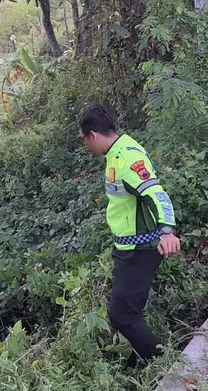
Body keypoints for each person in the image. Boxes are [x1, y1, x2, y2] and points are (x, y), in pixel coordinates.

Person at [77, 104, 180, 367]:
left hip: (141, 250)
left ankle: (157, 361)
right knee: (126, 310)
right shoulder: (117, 151)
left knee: (122, 315)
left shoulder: (125, 159)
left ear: (93, 135)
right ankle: (146, 357)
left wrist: (168, 231)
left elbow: (156, 193)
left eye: (84, 140)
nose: (86, 147)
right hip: (128, 248)